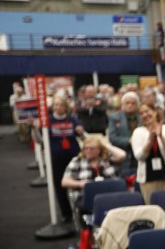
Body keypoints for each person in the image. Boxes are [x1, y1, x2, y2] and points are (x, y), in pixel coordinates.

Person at [31, 94, 85, 223]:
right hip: (56, 159)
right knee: (59, 187)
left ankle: (80, 210)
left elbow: (83, 138)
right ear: (52, 107)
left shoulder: (73, 120)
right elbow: (39, 141)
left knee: (78, 184)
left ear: (66, 107)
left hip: (74, 158)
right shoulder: (48, 121)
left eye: (61, 105)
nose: (58, 107)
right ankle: (66, 214)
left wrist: (81, 132)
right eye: (56, 105)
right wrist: (34, 128)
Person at [61, 134, 126, 228]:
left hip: (109, 195)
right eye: (85, 148)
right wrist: (80, 184)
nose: (88, 151)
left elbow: (122, 155)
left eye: (92, 148)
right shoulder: (77, 161)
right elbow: (64, 182)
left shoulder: (106, 160)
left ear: (99, 149)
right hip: (87, 199)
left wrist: (105, 145)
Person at [131, 103, 165, 204]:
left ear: (154, 112)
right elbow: (139, 156)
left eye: (147, 111)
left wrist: (161, 137)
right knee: (152, 209)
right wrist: (150, 140)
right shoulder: (138, 132)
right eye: (141, 113)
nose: (145, 115)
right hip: (147, 181)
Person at [108, 91, 141, 169]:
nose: (130, 105)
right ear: (122, 104)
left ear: (137, 105)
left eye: (133, 103)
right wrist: (128, 141)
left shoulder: (142, 117)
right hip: (123, 154)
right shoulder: (114, 117)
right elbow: (112, 138)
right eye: (127, 103)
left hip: (140, 154)